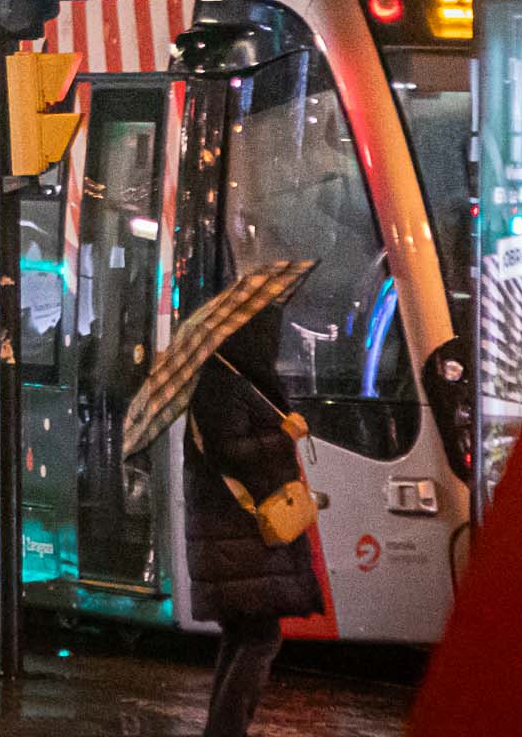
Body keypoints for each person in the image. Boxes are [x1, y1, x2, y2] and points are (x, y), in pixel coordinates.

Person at [183, 303, 325, 737]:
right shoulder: (221, 384)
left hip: (233, 534)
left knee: (244, 635)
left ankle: (222, 730)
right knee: (261, 637)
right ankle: (226, 731)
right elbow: (232, 451)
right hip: (237, 531)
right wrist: (283, 437)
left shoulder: (231, 379)